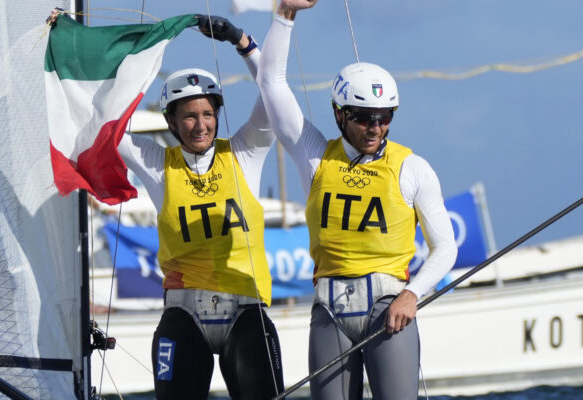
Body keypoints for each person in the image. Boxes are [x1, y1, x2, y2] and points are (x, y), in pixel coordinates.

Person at [256, 1, 458, 399]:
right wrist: (285, 15)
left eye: (385, 117)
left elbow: (445, 247)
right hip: (330, 311)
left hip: (389, 309)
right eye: (364, 117)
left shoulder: (413, 167)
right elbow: (271, 84)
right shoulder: (313, 154)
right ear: (340, 114)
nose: (376, 128)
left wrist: (412, 294)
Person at [117, 15, 284, 400]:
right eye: (189, 116)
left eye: (208, 114)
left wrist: (241, 42)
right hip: (184, 312)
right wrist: (134, 60)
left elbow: (273, 93)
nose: (200, 125)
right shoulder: (158, 164)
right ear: (172, 123)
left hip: (245, 308)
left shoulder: (245, 153)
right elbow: (110, 125)